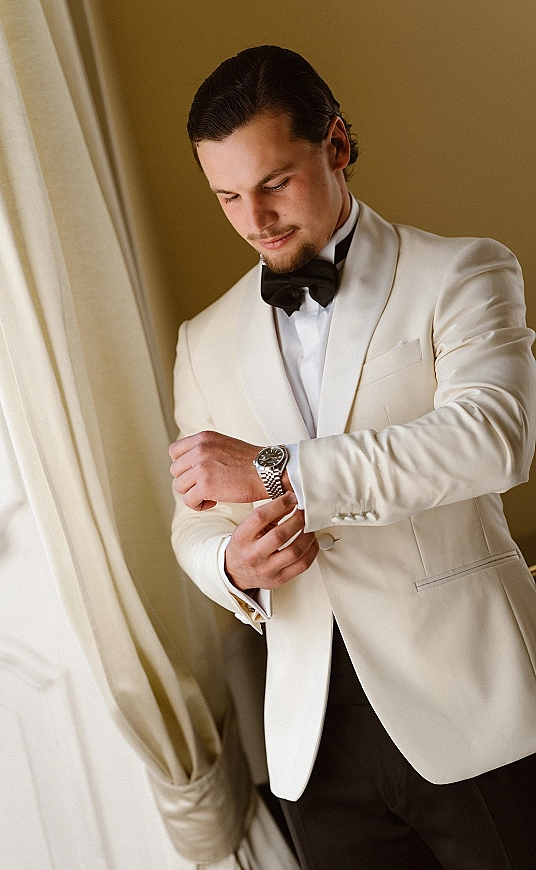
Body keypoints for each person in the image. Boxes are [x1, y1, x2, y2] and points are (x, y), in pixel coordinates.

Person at [168, 45, 536, 869]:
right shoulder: (203, 341)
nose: (254, 219)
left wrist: (274, 471)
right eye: (227, 196)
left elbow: (492, 440)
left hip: (478, 716)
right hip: (313, 746)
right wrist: (231, 562)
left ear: (336, 145)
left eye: (273, 183)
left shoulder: (462, 272)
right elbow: (190, 525)